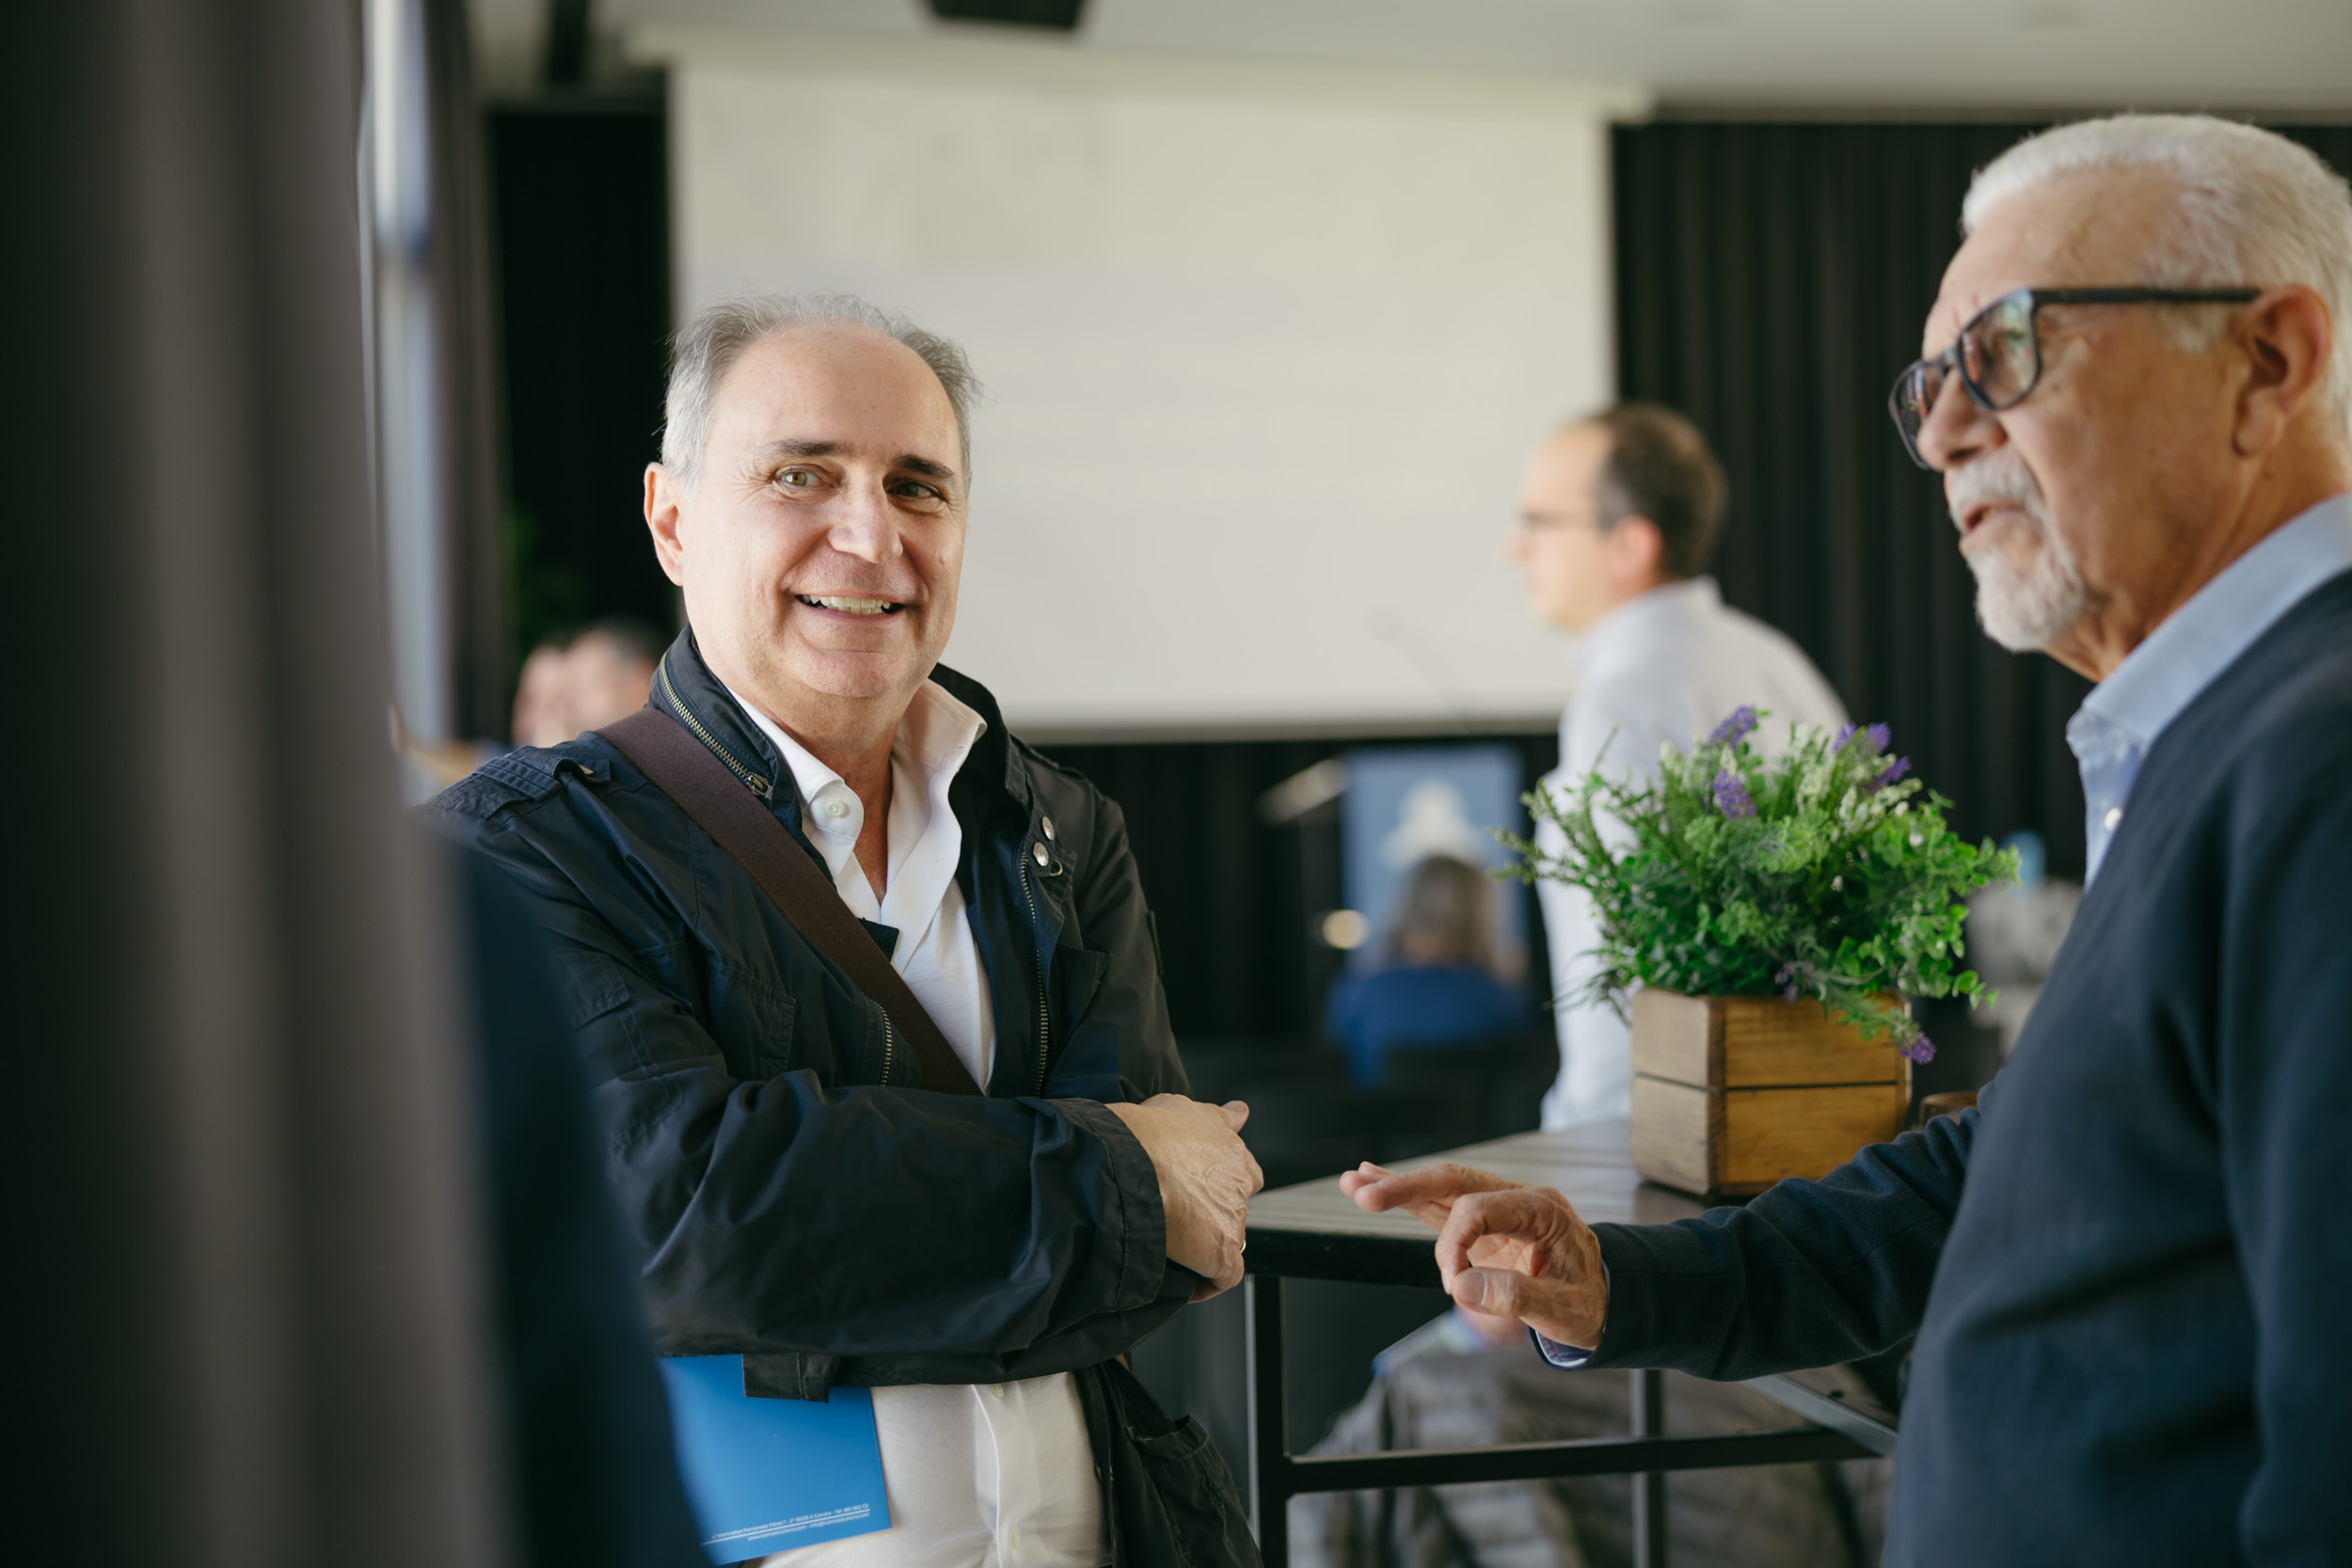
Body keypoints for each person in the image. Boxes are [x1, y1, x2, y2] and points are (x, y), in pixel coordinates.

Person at [1347, 115, 2352, 1565]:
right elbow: (2000, 1174)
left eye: (2006, 351)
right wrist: (1616, 1278)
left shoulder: (2320, 757)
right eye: (1930, 382)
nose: (1942, 432)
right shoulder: (2211, 735)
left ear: (2268, 361)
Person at [434, 293, 1263, 1568]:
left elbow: (1166, 1246)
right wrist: (1111, 1186)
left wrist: (860, 1216)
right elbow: (687, 1218)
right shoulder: (526, 846)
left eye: (917, 487)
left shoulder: (1058, 829)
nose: (871, 534)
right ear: (672, 519)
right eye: (801, 475)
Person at [1509, 404, 1846, 1128]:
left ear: (1629, 544)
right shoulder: (1777, 659)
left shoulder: (1623, 701)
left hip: (1661, 1144)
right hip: (1814, 1122)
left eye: (1539, 520)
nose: (1516, 546)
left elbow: (1620, 997)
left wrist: (1581, 1158)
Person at [1320, 854, 1528, 1088]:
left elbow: (1333, 1073)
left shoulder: (1357, 991)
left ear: (1406, 904)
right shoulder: (1503, 999)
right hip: (1472, 1112)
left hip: (1377, 1112)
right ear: (1480, 913)